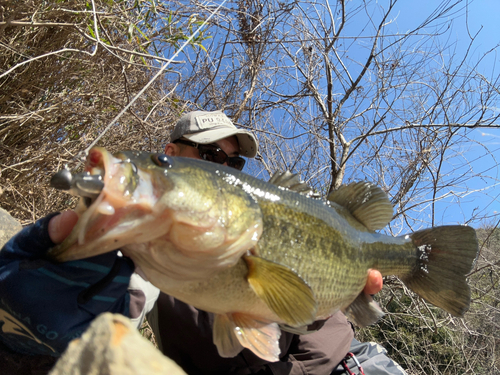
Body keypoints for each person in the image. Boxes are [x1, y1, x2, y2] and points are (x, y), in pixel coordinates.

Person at [0, 110, 383, 374]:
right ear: (171, 153)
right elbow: (125, 308)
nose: (222, 168)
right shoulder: (143, 259)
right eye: (211, 154)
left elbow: (323, 332)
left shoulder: (261, 228)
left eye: (234, 165)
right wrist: (24, 345)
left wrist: (309, 310)